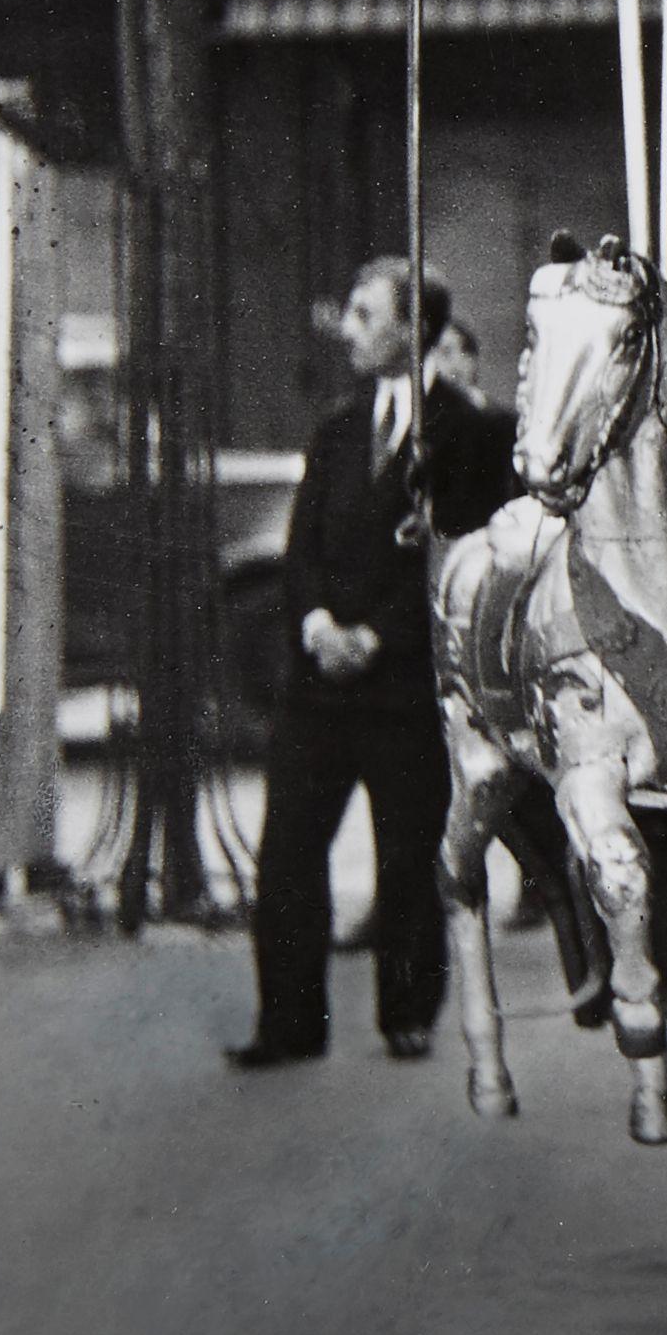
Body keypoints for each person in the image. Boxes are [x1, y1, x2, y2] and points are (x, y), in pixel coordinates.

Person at [228, 257, 516, 1071]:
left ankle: (408, 1013)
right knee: (286, 851)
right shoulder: (337, 428)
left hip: (404, 686)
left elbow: (466, 561)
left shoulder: (469, 430)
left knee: (408, 852)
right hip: (318, 689)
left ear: (410, 329)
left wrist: (379, 639)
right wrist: (318, 621)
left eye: (363, 314)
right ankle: (288, 1023)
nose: (348, 329)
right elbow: (301, 549)